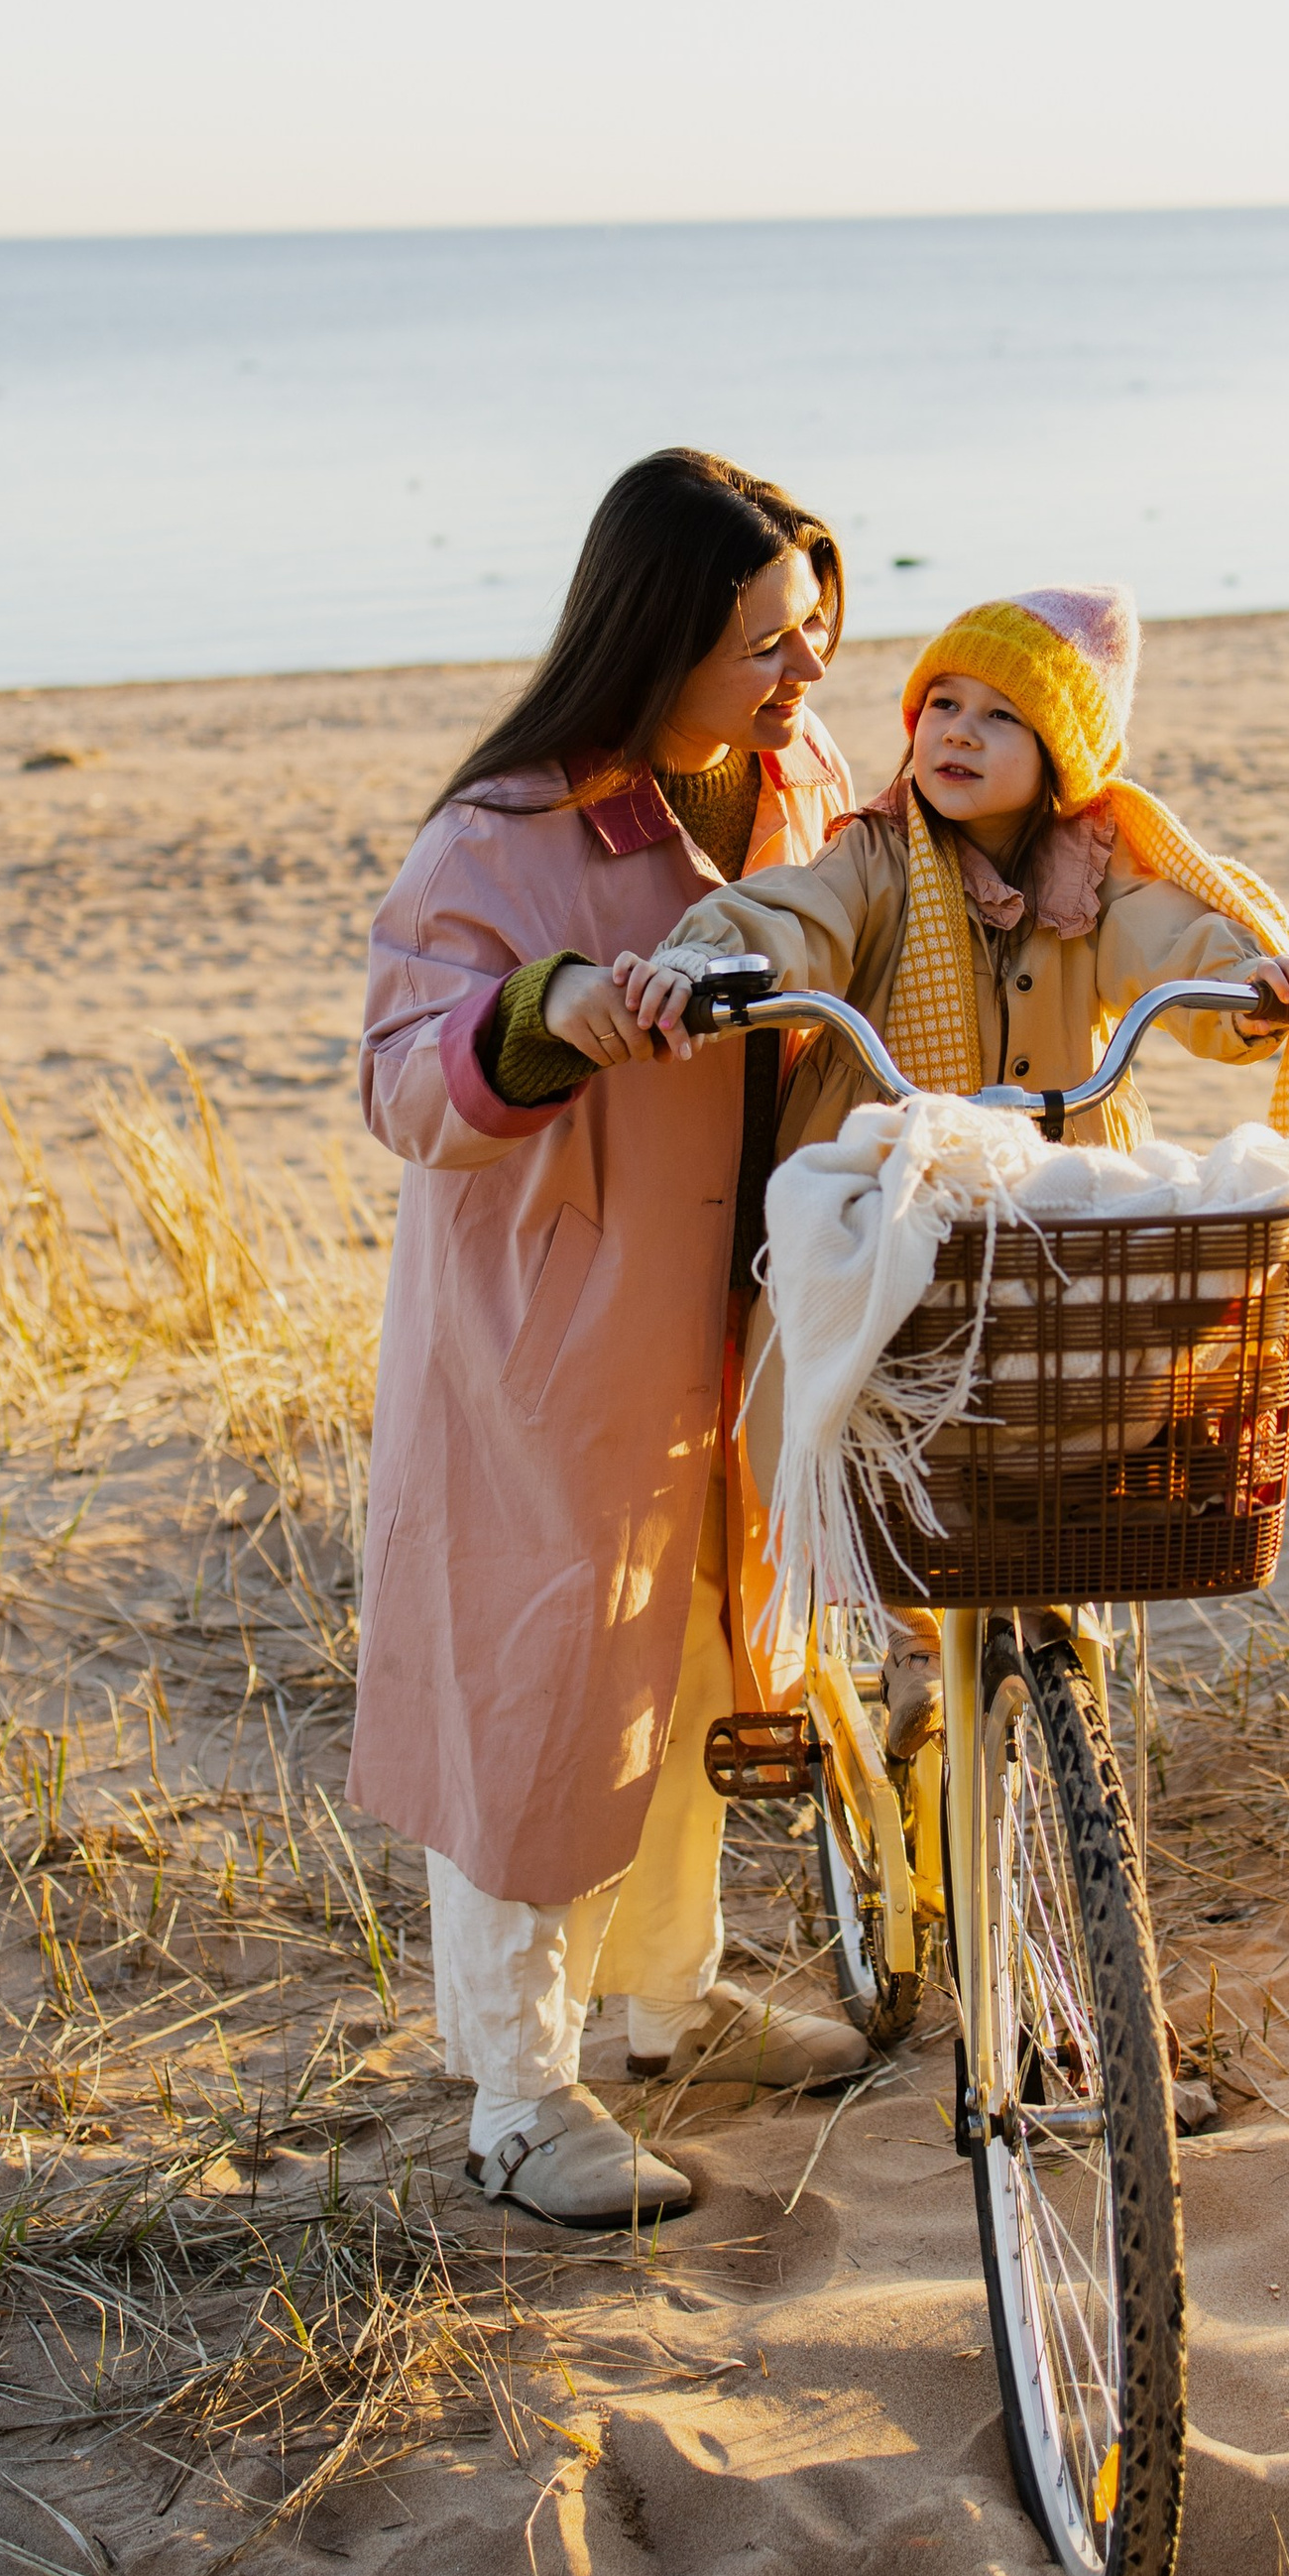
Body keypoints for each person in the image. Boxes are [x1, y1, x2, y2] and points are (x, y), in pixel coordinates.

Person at [349, 450, 873, 2229]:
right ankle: (519, 2091)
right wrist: (554, 1011)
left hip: (742, 1306)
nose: (806, 670)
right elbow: (400, 1082)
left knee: (704, 1661)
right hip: (556, 1340)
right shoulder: (506, 832)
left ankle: (669, 2002)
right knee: (547, 1691)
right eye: (765, 644)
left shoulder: (802, 778)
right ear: (655, 644)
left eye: (813, 629)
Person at [557, 582, 1289, 1746]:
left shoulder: (1093, 878)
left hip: (1042, 1218)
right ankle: (911, 1646)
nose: (957, 734)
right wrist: (709, 959)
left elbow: (1170, 945)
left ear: (1061, 757)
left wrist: (1250, 989)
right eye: (941, 705)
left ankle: (1046, 1645)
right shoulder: (877, 856)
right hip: (896, 1210)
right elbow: (793, 913)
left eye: (1000, 717)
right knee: (844, 1395)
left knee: (1088, 1402)